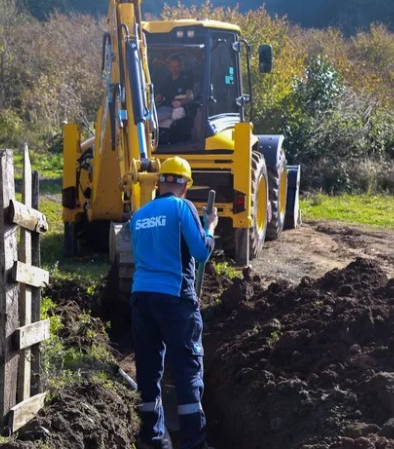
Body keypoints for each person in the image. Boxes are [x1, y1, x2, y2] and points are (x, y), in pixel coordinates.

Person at [129, 156, 217, 449]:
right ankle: (194, 442)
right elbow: (201, 252)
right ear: (185, 185)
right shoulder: (182, 208)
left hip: (141, 299)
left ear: (159, 182)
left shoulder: (139, 216)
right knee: (187, 368)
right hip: (174, 298)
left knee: (149, 368)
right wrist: (209, 229)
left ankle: (151, 438)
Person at [154, 55, 195, 128]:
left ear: (181, 66)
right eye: (172, 66)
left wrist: (180, 103)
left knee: (153, 120)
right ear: (169, 67)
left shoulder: (185, 79)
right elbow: (160, 96)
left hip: (176, 109)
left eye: (177, 66)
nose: (174, 69)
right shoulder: (167, 80)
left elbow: (190, 96)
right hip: (164, 107)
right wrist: (151, 104)